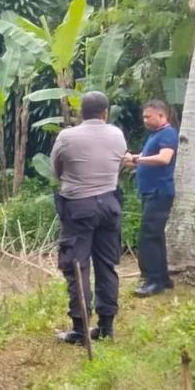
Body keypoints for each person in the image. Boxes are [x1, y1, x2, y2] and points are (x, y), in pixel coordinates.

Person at [49, 91, 128, 344]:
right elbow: (118, 165)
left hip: (78, 207)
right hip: (109, 204)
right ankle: (106, 327)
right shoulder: (117, 134)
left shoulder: (67, 137)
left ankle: (80, 329)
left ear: (80, 112)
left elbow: (55, 171)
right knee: (106, 265)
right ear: (105, 112)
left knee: (77, 266)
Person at [124, 99, 178, 297]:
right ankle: (162, 277)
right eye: (144, 117)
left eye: (148, 116)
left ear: (162, 116)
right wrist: (134, 159)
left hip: (159, 191)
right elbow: (147, 157)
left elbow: (164, 158)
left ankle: (153, 280)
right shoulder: (155, 135)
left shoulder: (168, 133)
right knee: (156, 235)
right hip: (151, 192)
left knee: (149, 235)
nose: (145, 120)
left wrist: (137, 159)